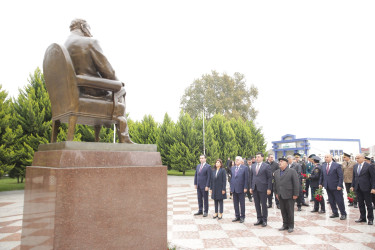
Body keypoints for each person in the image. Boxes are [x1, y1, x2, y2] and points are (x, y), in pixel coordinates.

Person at [64, 19, 133, 143]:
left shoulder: (63, 47)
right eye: (89, 28)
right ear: (83, 27)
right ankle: (124, 137)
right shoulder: (90, 42)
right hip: (91, 92)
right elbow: (108, 72)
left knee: (117, 89)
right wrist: (117, 83)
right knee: (121, 90)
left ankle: (99, 138)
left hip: (69, 97)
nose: (90, 31)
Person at [274, 157, 299, 233]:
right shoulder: (277, 172)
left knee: (290, 211)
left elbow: (296, 183)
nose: (280, 163)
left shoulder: (292, 171)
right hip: (280, 194)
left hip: (289, 194)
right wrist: (276, 193)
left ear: (286, 163)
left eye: (281, 161)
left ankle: (291, 226)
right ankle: (285, 224)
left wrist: (295, 194)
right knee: (283, 211)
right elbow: (275, 184)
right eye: (279, 161)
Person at [319, 154, 347, 220]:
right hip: (328, 186)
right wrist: (320, 183)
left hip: (336, 186)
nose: (326, 158)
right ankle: (335, 212)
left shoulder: (337, 165)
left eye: (327, 157)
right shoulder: (323, 165)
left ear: (331, 157)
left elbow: (340, 176)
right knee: (331, 200)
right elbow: (322, 175)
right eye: (325, 157)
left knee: (339, 200)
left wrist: (340, 185)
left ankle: (343, 213)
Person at [351, 154, 375, 225]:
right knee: (360, 203)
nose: (357, 159)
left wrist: (373, 188)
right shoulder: (355, 166)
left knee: (368, 204)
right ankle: (362, 217)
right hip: (358, 188)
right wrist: (352, 186)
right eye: (356, 158)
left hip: (367, 188)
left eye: (358, 158)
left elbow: (373, 178)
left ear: (363, 158)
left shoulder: (369, 166)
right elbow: (354, 177)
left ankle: (370, 219)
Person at [249, 152, 272, 227]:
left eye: (258, 157)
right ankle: (259, 219)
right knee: (257, 204)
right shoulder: (253, 166)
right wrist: (251, 187)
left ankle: (264, 220)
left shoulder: (266, 166)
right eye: (256, 157)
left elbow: (269, 178)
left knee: (264, 204)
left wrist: (269, 188)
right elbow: (251, 177)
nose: (257, 158)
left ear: (262, 157)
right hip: (255, 188)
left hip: (263, 188)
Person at [230, 156, 249, 223]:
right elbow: (232, 178)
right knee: (235, 203)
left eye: (238, 160)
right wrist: (231, 187)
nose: (236, 161)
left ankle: (242, 216)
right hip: (234, 188)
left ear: (241, 161)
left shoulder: (245, 168)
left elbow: (246, 178)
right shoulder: (233, 168)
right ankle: (237, 216)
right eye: (236, 160)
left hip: (241, 188)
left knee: (242, 203)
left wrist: (245, 187)